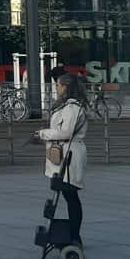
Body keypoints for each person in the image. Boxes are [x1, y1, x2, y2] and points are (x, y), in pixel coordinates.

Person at [36, 73, 89, 246]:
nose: (56, 88)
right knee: (69, 196)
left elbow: (65, 132)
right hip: (66, 155)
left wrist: (43, 133)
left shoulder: (72, 108)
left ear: (66, 87)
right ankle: (73, 235)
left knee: (71, 196)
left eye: (58, 85)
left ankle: (74, 236)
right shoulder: (69, 106)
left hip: (69, 156)